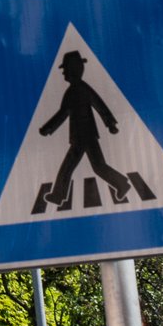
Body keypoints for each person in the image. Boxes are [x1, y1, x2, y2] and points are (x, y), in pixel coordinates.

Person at [39, 49, 131, 209]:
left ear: (73, 69)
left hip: (83, 136)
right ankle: (121, 184)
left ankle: (58, 195)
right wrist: (110, 124)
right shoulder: (76, 89)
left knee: (71, 166)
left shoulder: (77, 90)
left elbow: (70, 111)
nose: (64, 74)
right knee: (97, 166)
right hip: (85, 135)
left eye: (65, 70)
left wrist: (47, 128)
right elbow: (90, 107)